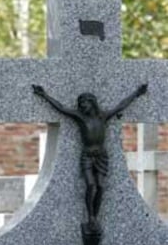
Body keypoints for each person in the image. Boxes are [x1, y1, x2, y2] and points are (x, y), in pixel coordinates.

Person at [32, 83, 148, 232]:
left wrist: (137, 93)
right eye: (80, 104)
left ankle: (95, 217)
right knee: (91, 185)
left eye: (84, 103)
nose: (81, 107)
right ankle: (90, 217)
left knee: (100, 186)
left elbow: (121, 106)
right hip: (87, 156)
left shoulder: (103, 116)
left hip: (101, 156)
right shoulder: (79, 117)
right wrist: (44, 95)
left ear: (92, 103)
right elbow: (61, 108)